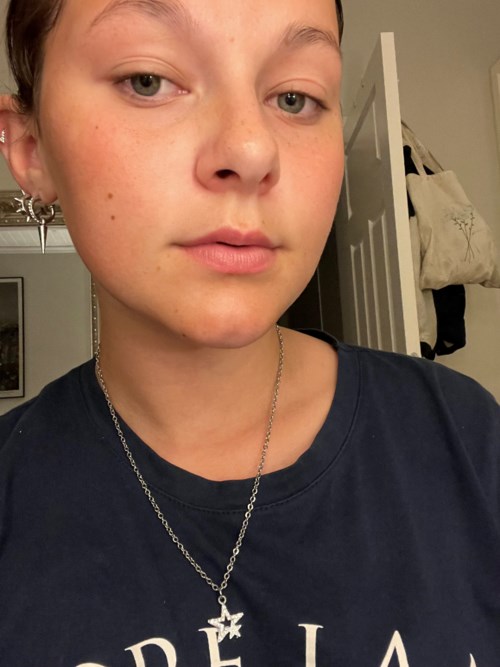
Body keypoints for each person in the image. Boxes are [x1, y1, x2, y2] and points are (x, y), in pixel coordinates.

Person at [0, 1, 498, 665]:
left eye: (295, 96)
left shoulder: (468, 441)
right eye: (148, 79)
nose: (252, 149)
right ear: (30, 148)